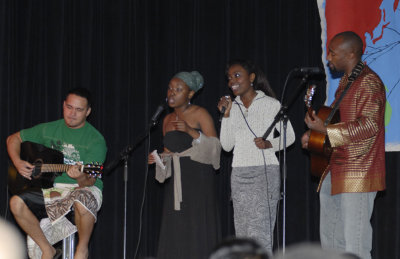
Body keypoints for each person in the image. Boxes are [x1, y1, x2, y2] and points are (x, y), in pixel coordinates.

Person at [301, 31, 386, 259]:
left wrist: (325, 130)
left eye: (332, 52)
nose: (328, 58)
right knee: (331, 244)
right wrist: (315, 137)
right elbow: (341, 125)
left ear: (350, 54)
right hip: (334, 169)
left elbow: (369, 126)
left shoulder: (368, 82)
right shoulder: (345, 84)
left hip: (357, 173)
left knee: (354, 245)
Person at [7, 87, 107, 259]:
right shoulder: (49, 129)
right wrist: (18, 161)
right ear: (63, 105)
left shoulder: (96, 140)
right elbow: (13, 139)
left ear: (88, 112)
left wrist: (80, 176)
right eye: (69, 107)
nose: (72, 113)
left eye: (79, 109)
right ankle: (47, 249)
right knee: (16, 203)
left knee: (82, 199)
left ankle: (82, 249)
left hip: (84, 188)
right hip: (53, 189)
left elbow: (89, 181)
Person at [217, 60, 295, 255]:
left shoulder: (271, 104)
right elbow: (226, 146)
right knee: (242, 234)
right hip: (239, 174)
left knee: (260, 234)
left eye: (237, 76)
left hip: (264, 172)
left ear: (251, 78)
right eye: (229, 78)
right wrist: (225, 116)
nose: (232, 82)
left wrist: (270, 144)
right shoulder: (232, 108)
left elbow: (290, 136)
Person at [148, 71, 221, 259]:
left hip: (198, 180)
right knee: (176, 230)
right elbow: (169, 154)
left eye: (178, 89)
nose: (172, 93)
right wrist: (158, 159)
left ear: (190, 94)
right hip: (177, 185)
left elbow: (215, 150)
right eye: (170, 88)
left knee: (196, 229)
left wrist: (191, 131)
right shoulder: (166, 120)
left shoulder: (200, 113)